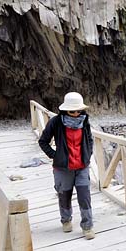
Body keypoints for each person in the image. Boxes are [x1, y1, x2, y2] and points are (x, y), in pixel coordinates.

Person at [38, 92, 95, 239]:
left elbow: (89, 139)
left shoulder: (85, 120)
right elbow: (43, 141)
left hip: (82, 166)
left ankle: (87, 226)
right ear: (65, 110)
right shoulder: (56, 122)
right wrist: (55, 155)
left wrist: (88, 154)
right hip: (63, 168)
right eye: (72, 111)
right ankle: (66, 220)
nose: (76, 114)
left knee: (84, 196)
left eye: (78, 110)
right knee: (64, 196)